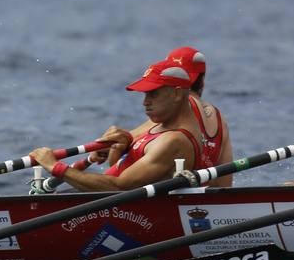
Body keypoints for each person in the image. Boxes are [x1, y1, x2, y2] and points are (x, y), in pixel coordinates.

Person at [30, 54, 231, 192]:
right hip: (105, 202)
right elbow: (121, 168)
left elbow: (118, 187)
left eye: (153, 94)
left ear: (178, 93)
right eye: (145, 94)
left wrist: (54, 167)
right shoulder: (162, 125)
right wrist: (121, 144)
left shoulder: (175, 140)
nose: (145, 102)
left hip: (118, 208)